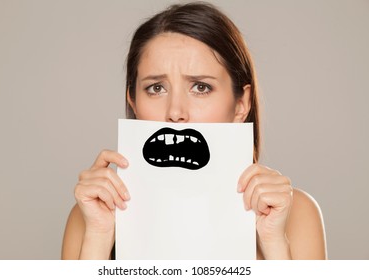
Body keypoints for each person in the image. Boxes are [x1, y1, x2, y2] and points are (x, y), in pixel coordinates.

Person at [61, 2, 327, 260]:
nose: (176, 112)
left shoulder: (295, 214)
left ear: (241, 104)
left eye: (200, 87)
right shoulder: (89, 216)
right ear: (133, 100)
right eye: (156, 88)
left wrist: (275, 244)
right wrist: (98, 237)